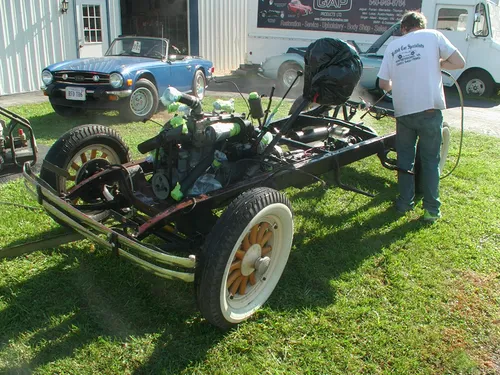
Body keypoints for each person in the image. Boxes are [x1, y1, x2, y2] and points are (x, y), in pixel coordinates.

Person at [377, 11, 465, 222]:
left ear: (404, 28)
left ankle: (404, 203)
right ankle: (431, 210)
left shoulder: (393, 46)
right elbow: (459, 62)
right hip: (429, 110)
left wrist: (397, 87)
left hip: (404, 112)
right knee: (430, 160)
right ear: (421, 26)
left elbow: (382, 84)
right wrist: (439, 64)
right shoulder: (433, 36)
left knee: (405, 160)